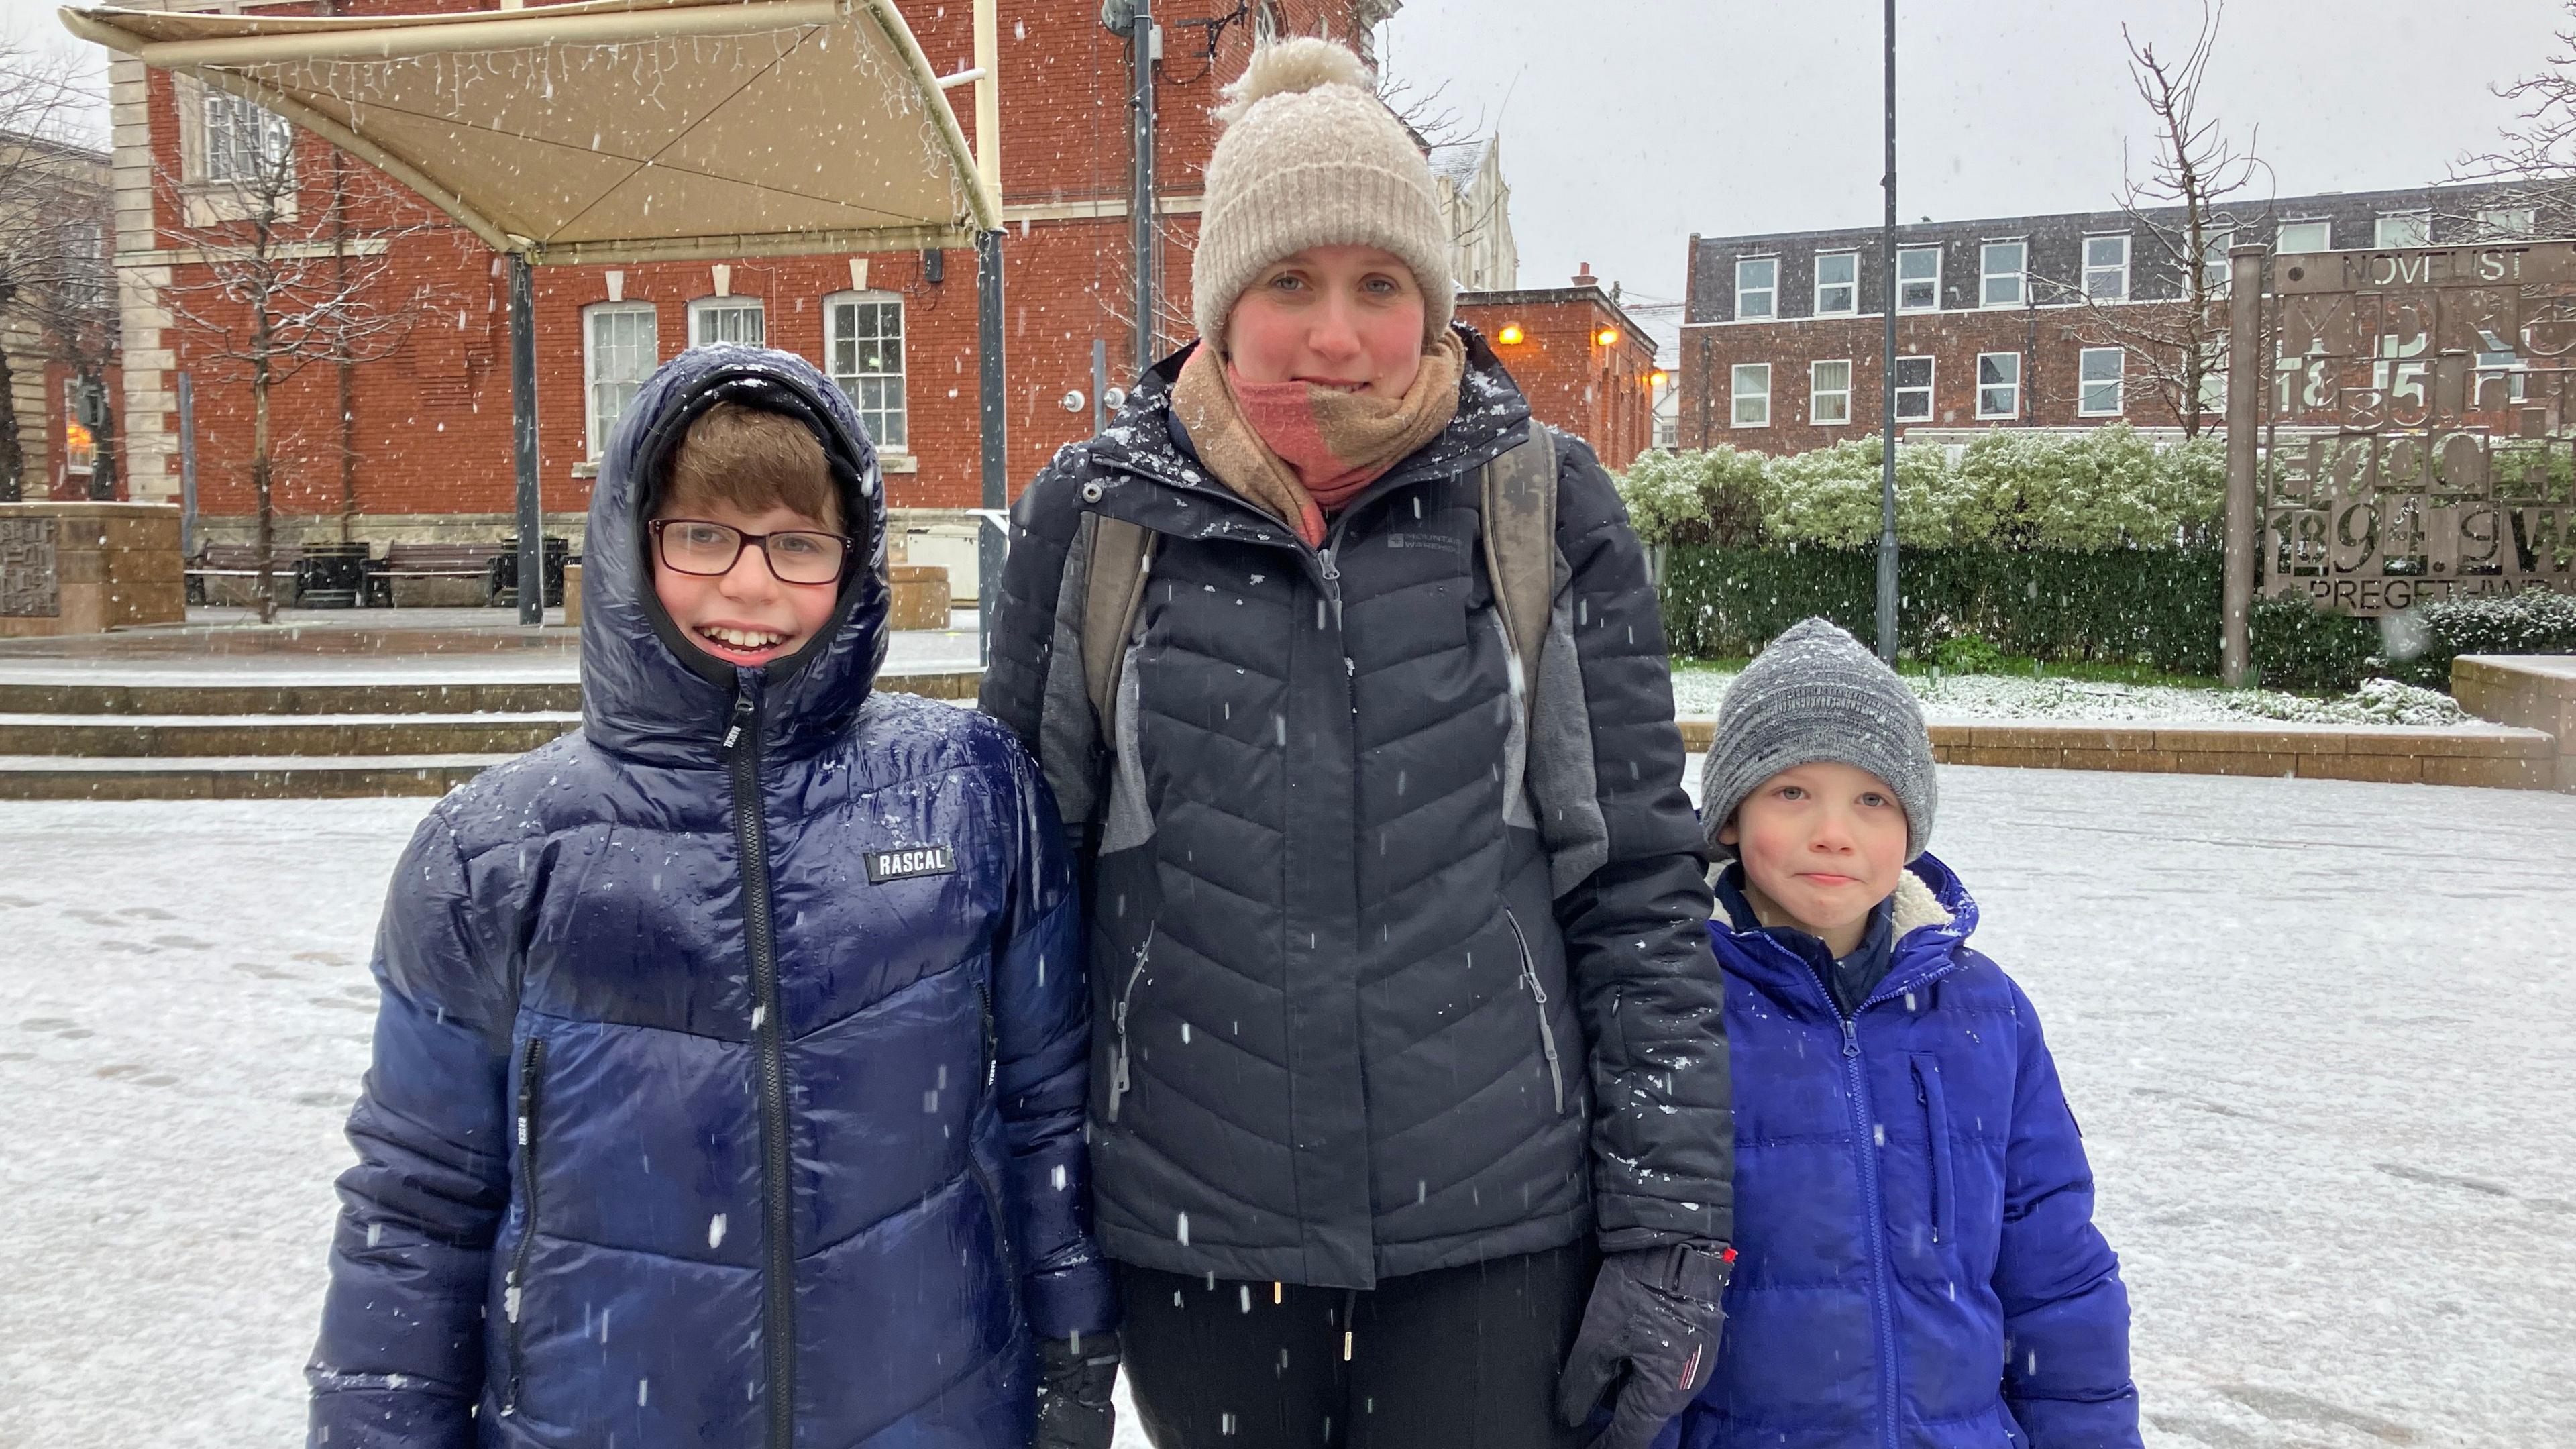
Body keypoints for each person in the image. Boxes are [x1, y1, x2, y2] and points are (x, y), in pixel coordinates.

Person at [980, 36, 1731, 1449]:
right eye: (1291, 283)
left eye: (1380, 284)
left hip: (1495, 1235)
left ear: (1433, 302)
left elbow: (1635, 886)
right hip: (1197, 1238)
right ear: (1221, 302)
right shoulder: (1094, 525)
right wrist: (1041, 1254)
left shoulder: (1543, 509)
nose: (1337, 334)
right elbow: (1022, 925)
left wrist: (1671, 1224)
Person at [303, 346, 1119, 1449]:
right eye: (703, 536)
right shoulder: (495, 853)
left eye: (797, 543)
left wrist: (1072, 1360)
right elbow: (417, 1203)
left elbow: (1044, 1116)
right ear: (633, 547)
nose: (749, 584)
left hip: (932, 1408)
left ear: (854, 560)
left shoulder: (971, 795)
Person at [1660, 617, 2142, 1449]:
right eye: (1792, 792)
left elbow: (2056, 1277)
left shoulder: (1987, 1013)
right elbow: (1636, 1299)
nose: (1834, 832)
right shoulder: (1675, 1000)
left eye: (1872, 800)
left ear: (1911, 831)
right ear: (1730, 817)